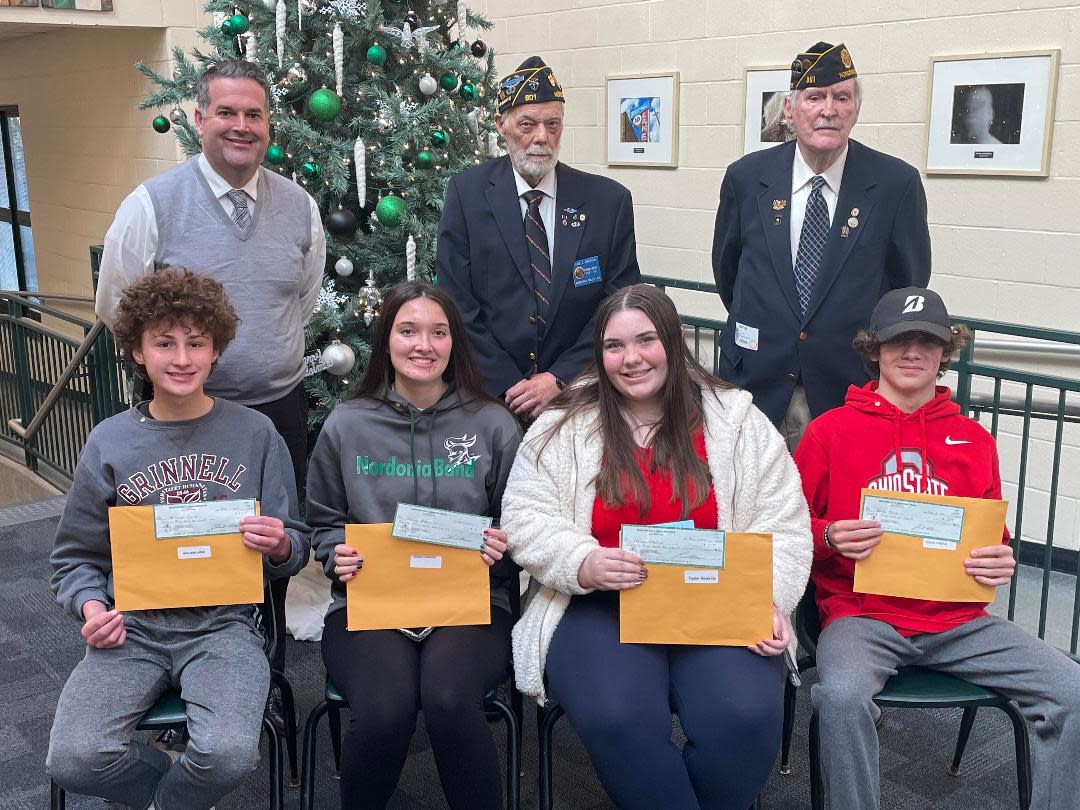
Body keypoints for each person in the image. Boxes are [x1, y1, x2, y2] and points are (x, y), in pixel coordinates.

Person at [502, 284, 812, 809]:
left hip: (716, 601)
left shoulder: (737, 421)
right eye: (614, 346)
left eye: (645, 340)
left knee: (744, 715)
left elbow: (785, 521)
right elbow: (524, 516)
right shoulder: (562, 425)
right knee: (616, 715)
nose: (631, 359)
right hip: (599, 605)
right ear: (599, 356)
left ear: (673, 340)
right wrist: (583, 561)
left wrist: (771, 597)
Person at [794, 286, 1080, 809]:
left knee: (1073, 689)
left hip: (958, 622)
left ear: (945, 354)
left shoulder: (973, 440)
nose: (912, 352)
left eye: (928, 341)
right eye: (899, 340)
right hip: (862, 617)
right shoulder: (828, 432)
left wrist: (1001, 556)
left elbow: (990, 532)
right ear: (874, 348)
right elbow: (789, 530)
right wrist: (830, 535)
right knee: (840, 696)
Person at [94, 58, 326, 674]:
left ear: (270, 125)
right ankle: (174, 663)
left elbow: (299, 297)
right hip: (178, 417)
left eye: (254, 114)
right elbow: (117, 304)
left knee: (269, 545)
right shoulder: (152, 205)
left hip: (277, 409)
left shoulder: (300, 207)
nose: (241, 126)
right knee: (182, 549)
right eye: (226, 112)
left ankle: (259, 666)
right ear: (199, 119)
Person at [46, 268, 308, 810]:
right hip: (132, 627)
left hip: (225, 626)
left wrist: (280, 546)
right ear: (138, 351)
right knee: (73, 757)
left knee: (230, 754)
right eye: (164, 343)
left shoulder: (255, 434)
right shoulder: (110, 441)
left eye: (196, 342)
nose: (182, 358)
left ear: (216, 350)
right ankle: (168, 789)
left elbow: (297, 544)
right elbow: (75, 558)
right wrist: (92, 608)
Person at [306, 281, 523, 810]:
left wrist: (502, 545)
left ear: (454, 344)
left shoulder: (492, 423)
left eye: (438, 332)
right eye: (408, 331)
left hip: (470, 604)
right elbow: (324, 522)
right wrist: (335, 552)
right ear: (386, 341)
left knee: (449, 699)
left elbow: (519, 524)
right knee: (385, 708)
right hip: (370, 603)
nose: (422, 345)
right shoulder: (347, 422)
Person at [712, 42, 931, 451]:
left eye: (841, 97)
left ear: (855, 109)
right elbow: (728, 272)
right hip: (756, 383)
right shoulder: (746, 178)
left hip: (845, 387)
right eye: (815, 97)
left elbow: (907, 285)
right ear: (790, 111)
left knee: (835, 510)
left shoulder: (894, 184)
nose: (828, 109)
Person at [438, 55, 641, 420]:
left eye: (553, 124)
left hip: (580, 396)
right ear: (501, 124)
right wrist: (507, 384)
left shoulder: (608, 202)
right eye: (527, 124)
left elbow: (617, 303)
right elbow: (457, 302)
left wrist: (559, 378)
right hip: (490, 397)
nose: (541, 138)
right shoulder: (466, 194)